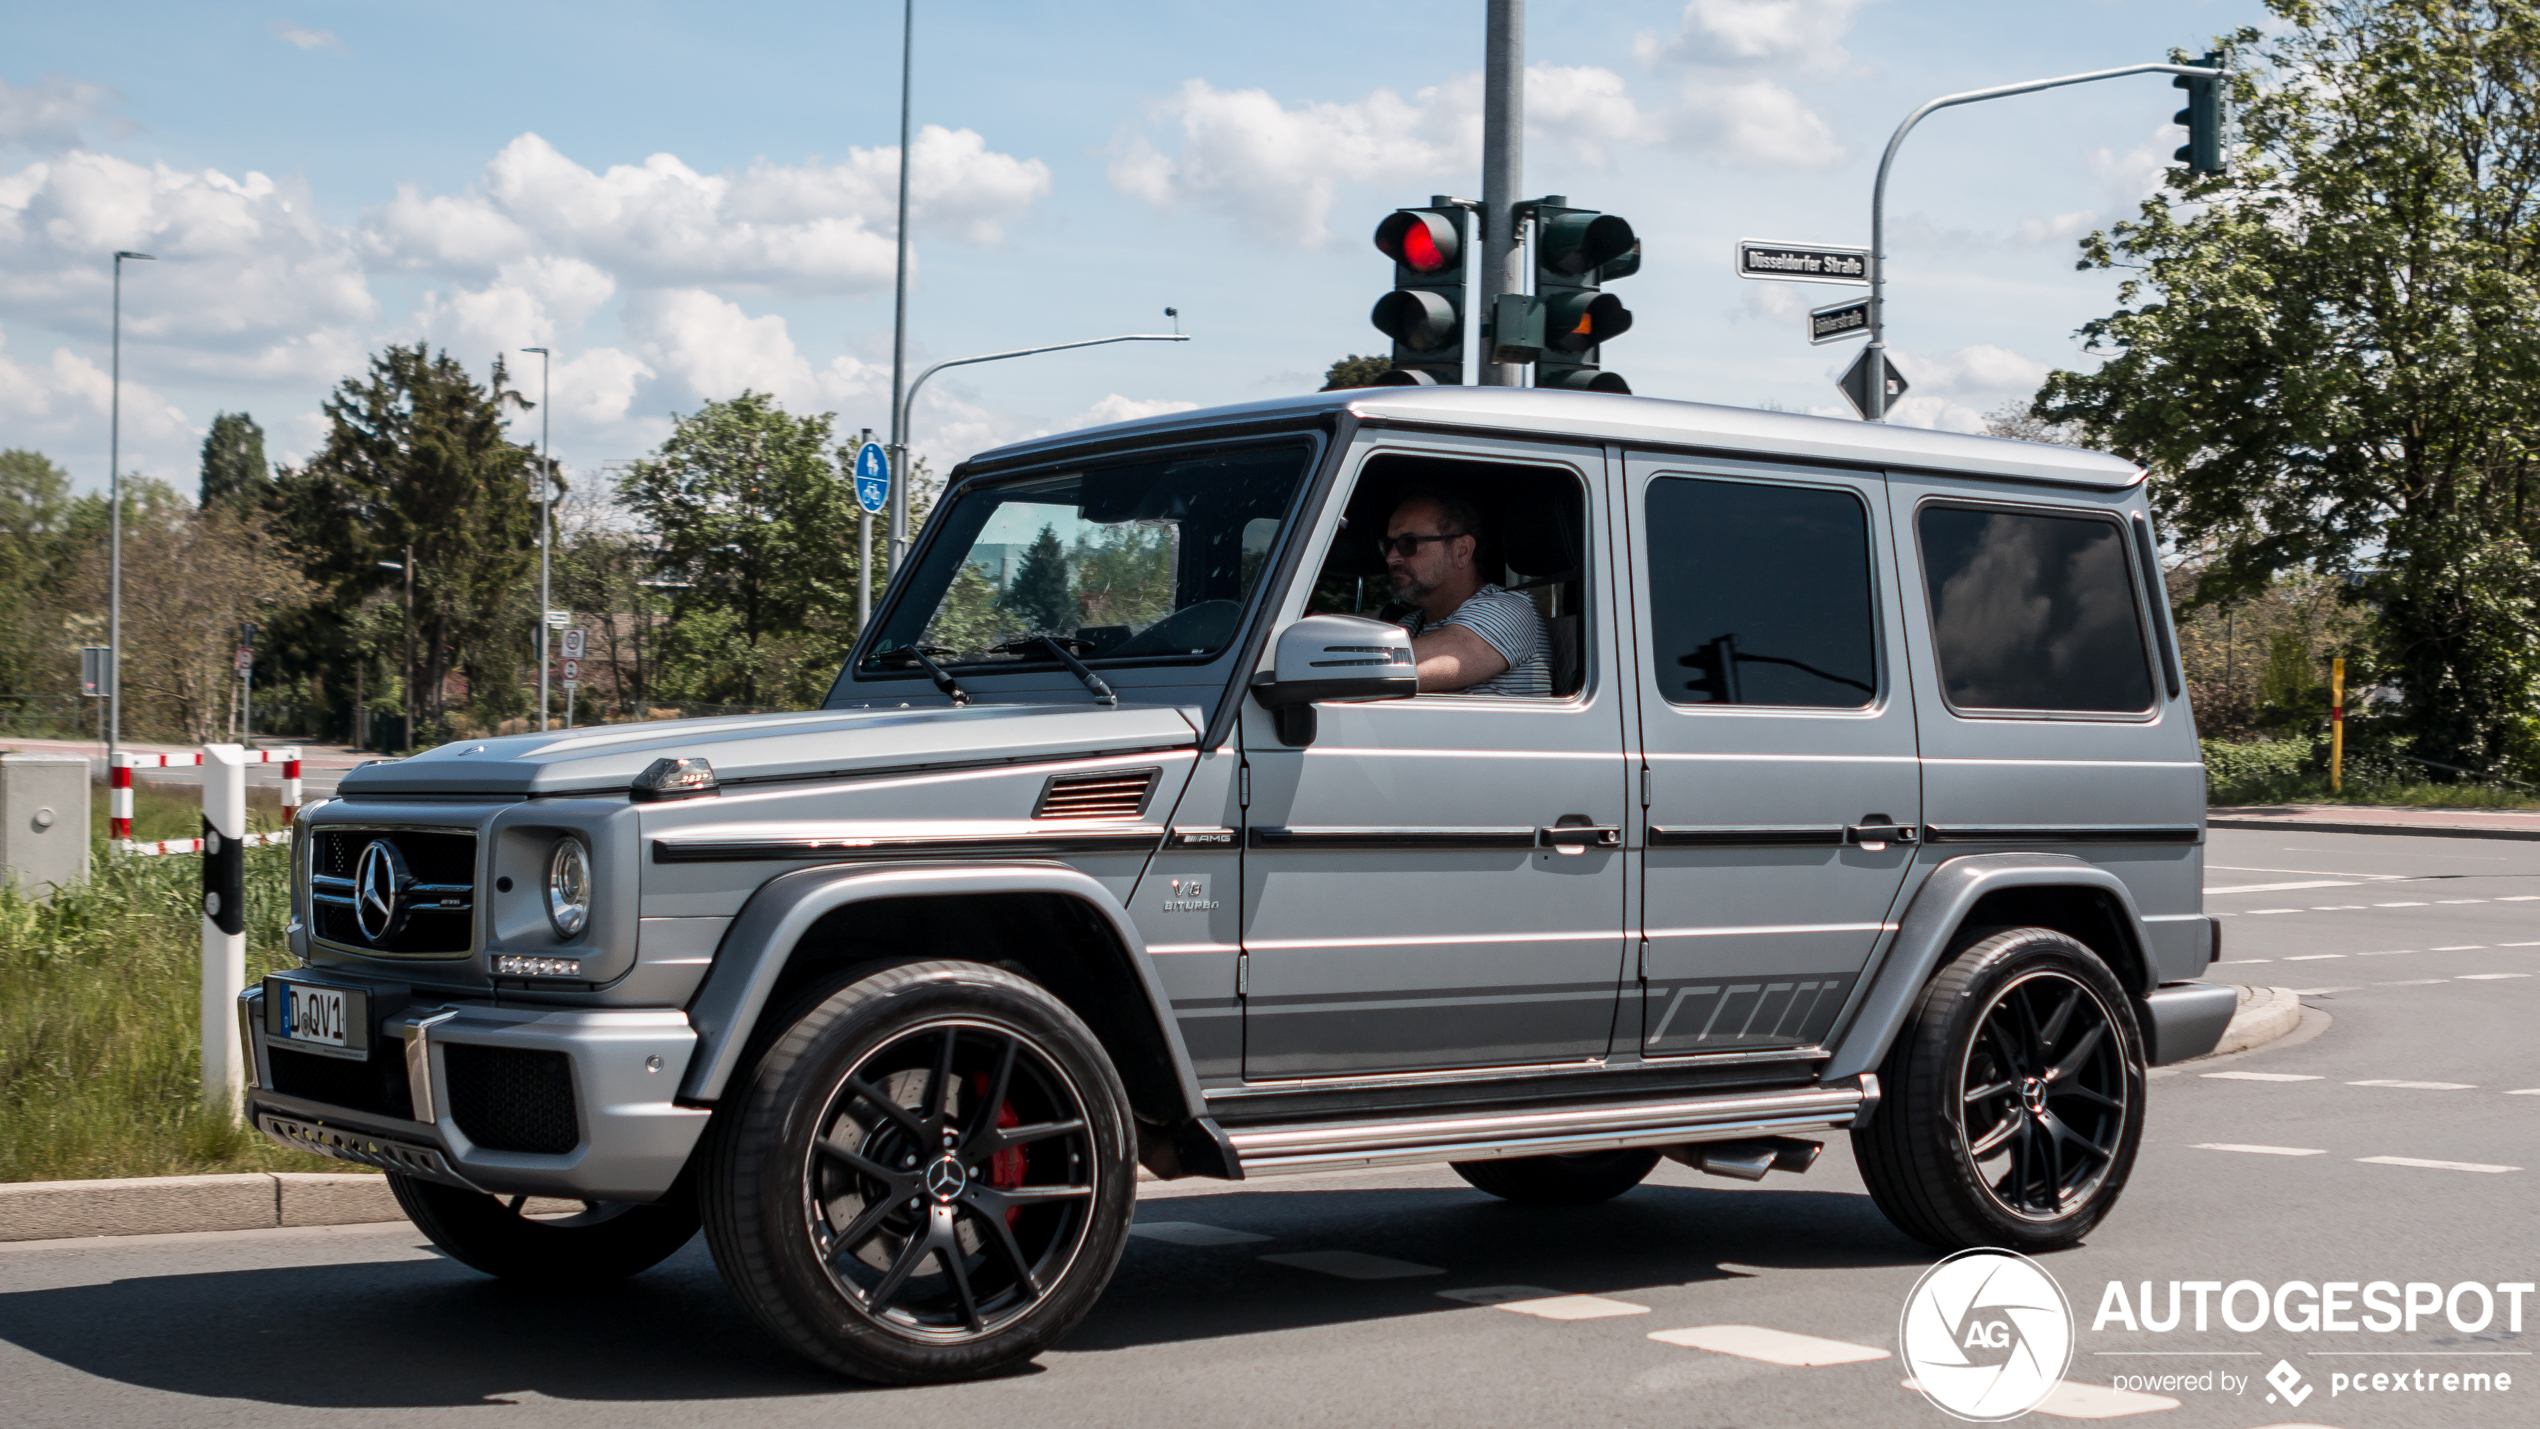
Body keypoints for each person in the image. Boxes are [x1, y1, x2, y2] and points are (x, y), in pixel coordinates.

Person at [1381, 490, 1551, 696]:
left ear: (1461, 551)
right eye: (1389, 545)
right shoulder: (1412, 624)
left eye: (1409, 543)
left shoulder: (1508, 611)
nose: (1391, 558)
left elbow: (1384, 672)